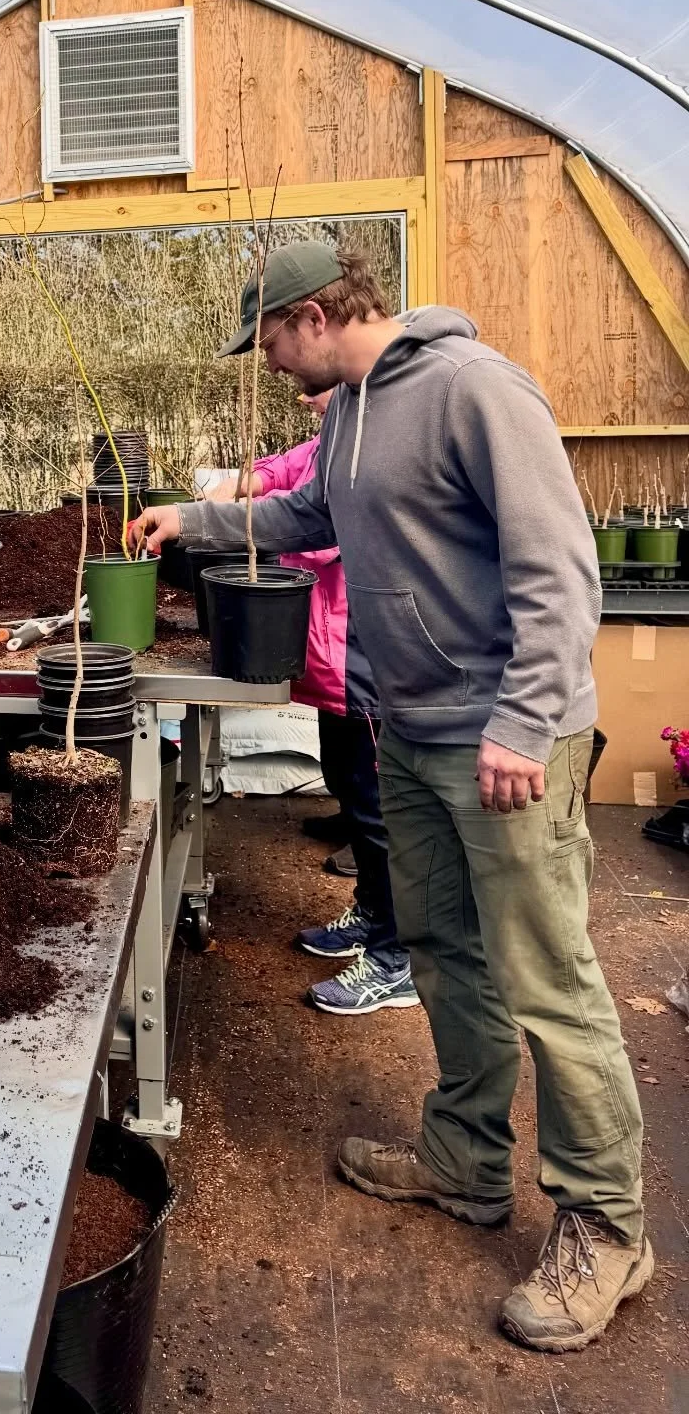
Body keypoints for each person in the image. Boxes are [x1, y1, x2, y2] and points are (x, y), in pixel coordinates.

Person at [132, 243, 651, 1353]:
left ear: (316, 315)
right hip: (410, 731)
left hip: (505, 743)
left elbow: (559, 568)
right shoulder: (354, 408)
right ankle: (466, 1160)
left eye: (269, 338)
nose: (267, 360)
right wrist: (197, 519)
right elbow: (314, 512)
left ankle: (607, 1225)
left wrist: (521, 721)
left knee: (549, 981)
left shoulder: (475, 390)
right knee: (443, 950)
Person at [246, 389, 414, 1016]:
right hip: (331, 661)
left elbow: (318, 532)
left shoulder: (374, 453)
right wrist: (247, 480)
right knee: (348, 788)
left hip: (365, 659)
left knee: (381, 813)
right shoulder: (332, 440)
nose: (298, 391)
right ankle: (372, 915)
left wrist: (261, 522)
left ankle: (399, 958)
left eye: (312, 386)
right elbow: (287, 467)